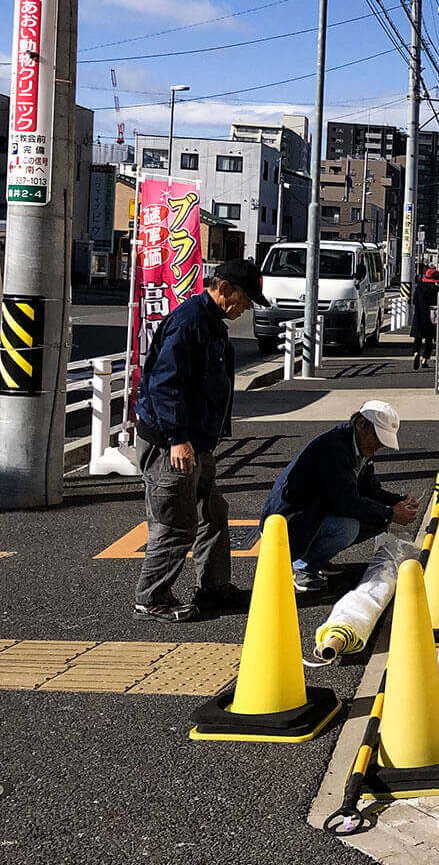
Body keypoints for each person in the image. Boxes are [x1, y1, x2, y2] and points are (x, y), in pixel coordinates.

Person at [134, 259, 268, 623]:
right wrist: (178, 438)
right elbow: (164, 383)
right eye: (243, 300)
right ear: (223, 288)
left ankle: (213, 587)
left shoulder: (211, 323)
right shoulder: (190, 321)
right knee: (176, 523)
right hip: (172, 442)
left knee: (213, 512)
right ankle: (151, 597)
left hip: (197, 440)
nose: (245, 309)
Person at [261, 400, 419, 592]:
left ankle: (314, 557)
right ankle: (303, 565)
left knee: (376, 519)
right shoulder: (333, 450)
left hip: (310, 516)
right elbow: (345, 502)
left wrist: (397, 501)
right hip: (289, 524)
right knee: (349, 527)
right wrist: (390, 513)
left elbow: (369, 489)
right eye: (378, 438)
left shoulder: (357, 445)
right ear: (361, 424)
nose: (379, 446)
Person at [410, 265, 439, 369]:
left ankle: (416, 353)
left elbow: (414, 302)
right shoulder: (437, 290)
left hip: (419, 317)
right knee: (429, 341)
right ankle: (424, 360)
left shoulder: (419, 289)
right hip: (432, 318)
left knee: (417, 339)